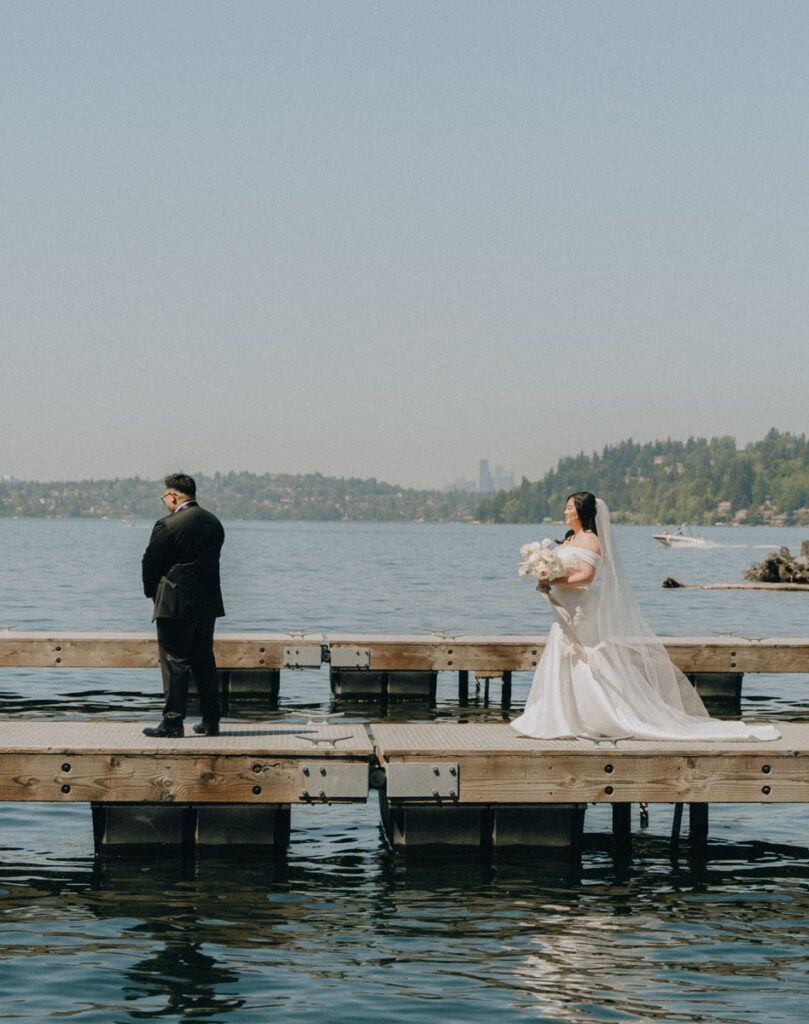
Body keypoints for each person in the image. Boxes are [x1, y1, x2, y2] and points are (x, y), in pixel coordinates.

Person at [511, 492, 780, 741]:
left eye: (570, 507)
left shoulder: (592, 539)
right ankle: (563, 715)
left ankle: (597, 715)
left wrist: (554, 579)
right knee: (563, 652)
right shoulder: (569, 538)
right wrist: (545, 574)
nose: (565, 510)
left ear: (582, 511)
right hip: (563, 605)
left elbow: (587, 576)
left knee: (581, 653)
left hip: (580, 606)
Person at [141, 473, 225, 738]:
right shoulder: (214, 522)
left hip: (175, 600)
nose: (165, 501)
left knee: (174, 660)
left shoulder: (168, 524)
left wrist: (151, 593)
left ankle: (173, 722)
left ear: (173, 496)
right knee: (204, 659)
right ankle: (211, 721)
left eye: (165, 496)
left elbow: (150, 563)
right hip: (207, 601)